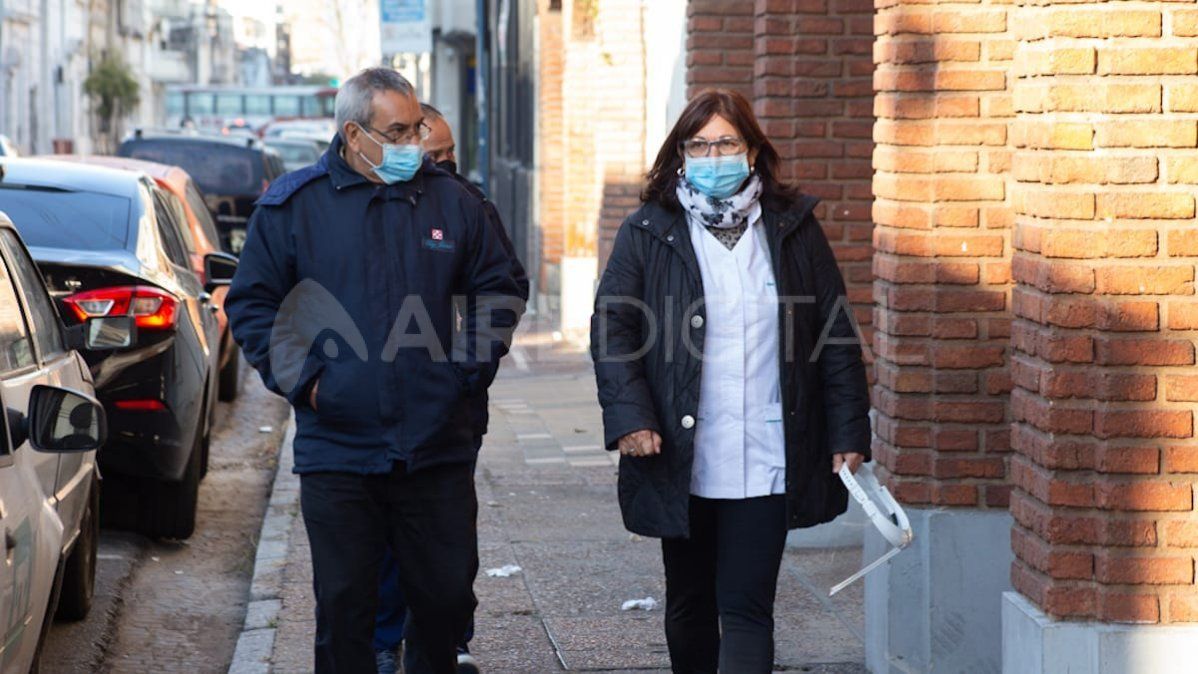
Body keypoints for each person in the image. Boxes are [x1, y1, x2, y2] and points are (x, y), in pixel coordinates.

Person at [226, 67, 525, 674]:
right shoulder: (294, 207)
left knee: (443, 602)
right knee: (345, 611)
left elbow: (500, 288)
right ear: (354, 134)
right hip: (339, 448)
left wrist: (464, 373)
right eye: (398, 130)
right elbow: (253, 305)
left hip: (435, 445)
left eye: (417, 127)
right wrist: (309, 383)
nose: (413, 141)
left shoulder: (453, 201)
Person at [589, 88, 870, 673]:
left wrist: (848, 430)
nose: (712, 154)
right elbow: (614, 327)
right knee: (691, 603)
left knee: (748, 608)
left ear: (751, 150)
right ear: (680, 154)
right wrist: (630, 417)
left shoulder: (793, 229)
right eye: (699, 143)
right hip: (680, 448)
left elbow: (834, 334)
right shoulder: (650, 229)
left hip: (769, 450)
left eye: (725, 142)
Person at [371, 103, 530, 674]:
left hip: (451, 407)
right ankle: (384, 640)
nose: (434, 165)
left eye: (444, 156)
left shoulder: (468, 208)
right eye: (426, 154)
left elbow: (504, 289)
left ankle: (449, 637)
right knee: (382, 534)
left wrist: (463, 374)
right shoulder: (363, 205)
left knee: (449, 533)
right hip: (373, 406)